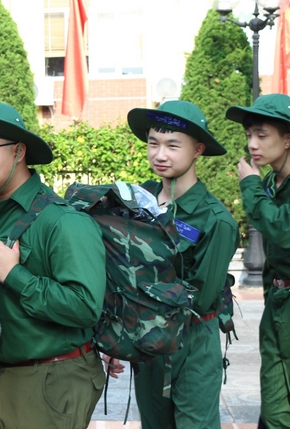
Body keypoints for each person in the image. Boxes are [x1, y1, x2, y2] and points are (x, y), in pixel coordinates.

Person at [0, 102, 106, 429]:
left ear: (18, 151)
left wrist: (14, 275)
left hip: (50, 377)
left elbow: (85, 307)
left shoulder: (62, 221)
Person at [121, 100, 238, 429]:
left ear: (198, 149)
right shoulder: (137, 201)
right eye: (153, 143)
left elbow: (200, 299)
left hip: (193, 341)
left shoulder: (216, 220)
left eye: (173, 146)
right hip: (147, 342)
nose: (160, 154)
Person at [226, 94, 290, 429]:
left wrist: (249, 184)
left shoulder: (258, 184)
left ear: (287, 139)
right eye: (249, 134)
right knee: (275, 407)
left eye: (262, 135)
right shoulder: (269, 182)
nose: (252, 144)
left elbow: (281, 229)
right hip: (277, 303)